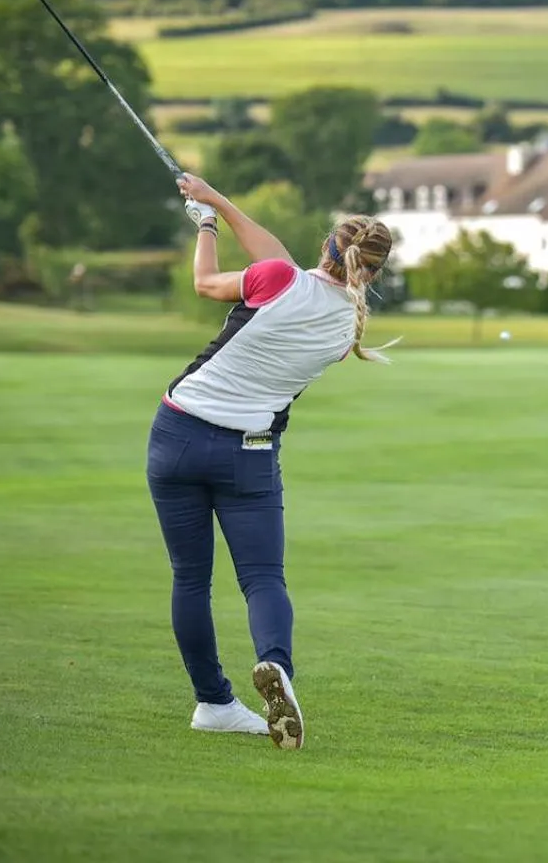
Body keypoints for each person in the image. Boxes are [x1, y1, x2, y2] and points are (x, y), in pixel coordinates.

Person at [146, 172, 395, 750]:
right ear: (373, 271)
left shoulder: (278, 279)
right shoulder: (344, 331)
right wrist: (216, 200)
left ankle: (213, 702)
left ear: (327, 246)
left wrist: (206, 223)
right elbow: (281, 264)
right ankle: (275, 665)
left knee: (191, 579)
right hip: (249, 456)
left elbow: (208, 282)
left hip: (177, 434)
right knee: (262, 578)